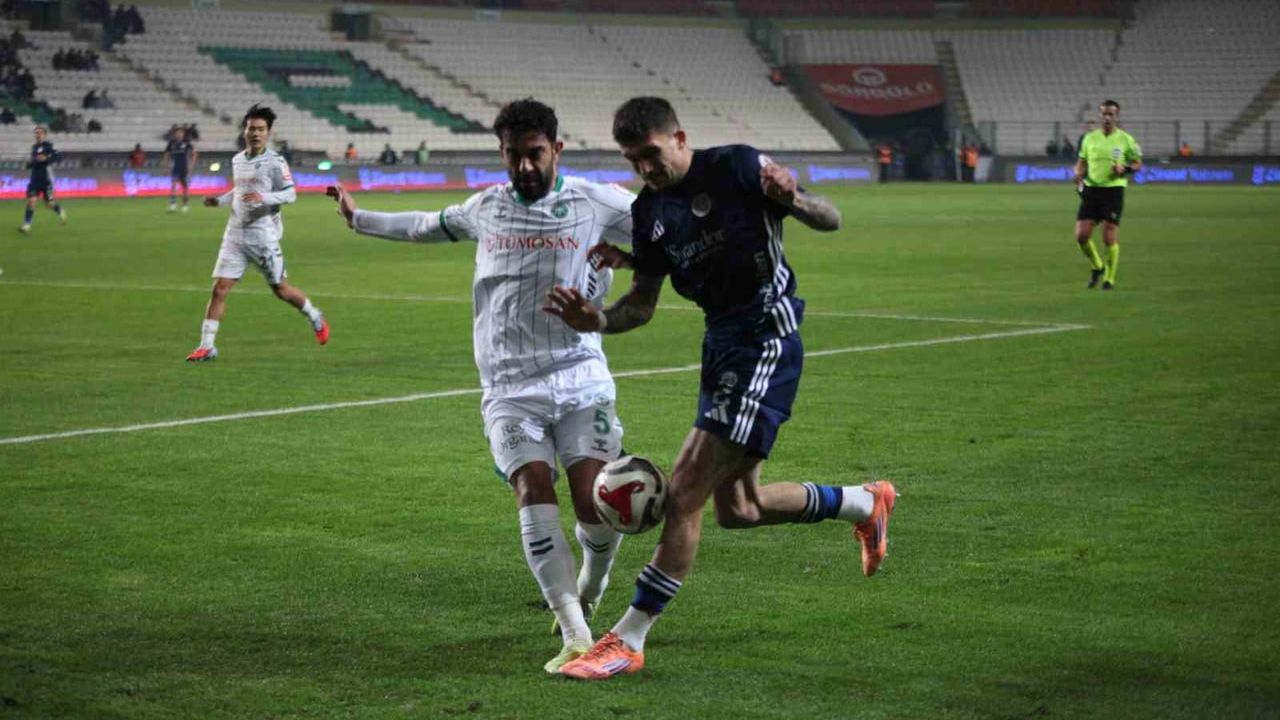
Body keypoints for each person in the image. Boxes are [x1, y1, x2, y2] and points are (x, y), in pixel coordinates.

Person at [546, 97, 897, 680]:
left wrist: (796, 199)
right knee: (739, 508)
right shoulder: (650, 213)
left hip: (765, 337)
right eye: (634, 161)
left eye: (652, 155)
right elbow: (641, 305)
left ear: (679, 138)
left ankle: (628, 639)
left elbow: (829, 218)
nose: (646, 169)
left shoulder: (735, 167)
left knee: (684, 491)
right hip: (721, 347)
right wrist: (598, 320)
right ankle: (866, 502)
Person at [325, 98, 635, 675]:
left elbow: (667, 232)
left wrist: (632, 255)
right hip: (510, 386)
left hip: (581, 377)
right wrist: (359, 217)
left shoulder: (597, 203)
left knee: (597, 506)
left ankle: (593, 580)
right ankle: (575, 631)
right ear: (502, 154)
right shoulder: (485, 208)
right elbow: (425, 225)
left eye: (535, 154)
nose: (524, 167)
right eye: (513, 156)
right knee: (531, 487)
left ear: (557, 150)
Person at [187, 104, 328, 362]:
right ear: (245, 131)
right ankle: (207, 345)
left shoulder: (275, 162)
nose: (255, 133)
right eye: (251, 128)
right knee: (220, 288)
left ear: (268, 133)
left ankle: (315, 316)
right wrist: (218, 201)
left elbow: (291, 193)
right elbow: (239, 192)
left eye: (261, 129)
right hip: (235, 234)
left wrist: (265, 197)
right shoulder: (237, 159)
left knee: (281, 290)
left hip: (263, 236)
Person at [1073, 99, 1142, 291]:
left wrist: (1125, 168)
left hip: (1114, 190)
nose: (1107, 117)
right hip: (1092, 189)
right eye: (1104, 113)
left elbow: (1138, 164)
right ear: (1099, 116)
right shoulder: (1089, 139)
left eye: (1111, 114)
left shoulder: (1126, 139)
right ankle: (1098, 266)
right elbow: (1081, 161)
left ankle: (1109, 279)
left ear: (1117, 117)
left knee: (1108, 236)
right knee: (1081, 236)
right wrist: (1077, 172)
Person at [19, 126, 68, 233]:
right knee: (32, 201)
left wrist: (47, 159)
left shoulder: (49, 146)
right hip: (35, 180)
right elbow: (35, 162)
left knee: (49, 204)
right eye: (36, 133)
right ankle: (27, 224)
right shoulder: (34, 147)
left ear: (45, 135)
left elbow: (59, 157)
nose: (37, 135)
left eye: (39, 133)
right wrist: (28, 165)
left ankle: (60, 211)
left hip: (46, 180)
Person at [163, 125, 196, 213]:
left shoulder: (187, 143)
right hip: (175, 167)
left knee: (185, 187)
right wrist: (166, 166)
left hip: (184, 167)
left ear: (183, 134)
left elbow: (194, 154)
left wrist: (191, 165)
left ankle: (185, 205)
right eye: (177, 133)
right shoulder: (171, 143)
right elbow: (166, 155)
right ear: (175, 134)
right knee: (173, 185)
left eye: (181, 133)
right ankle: (173, 205)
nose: (179, 134)